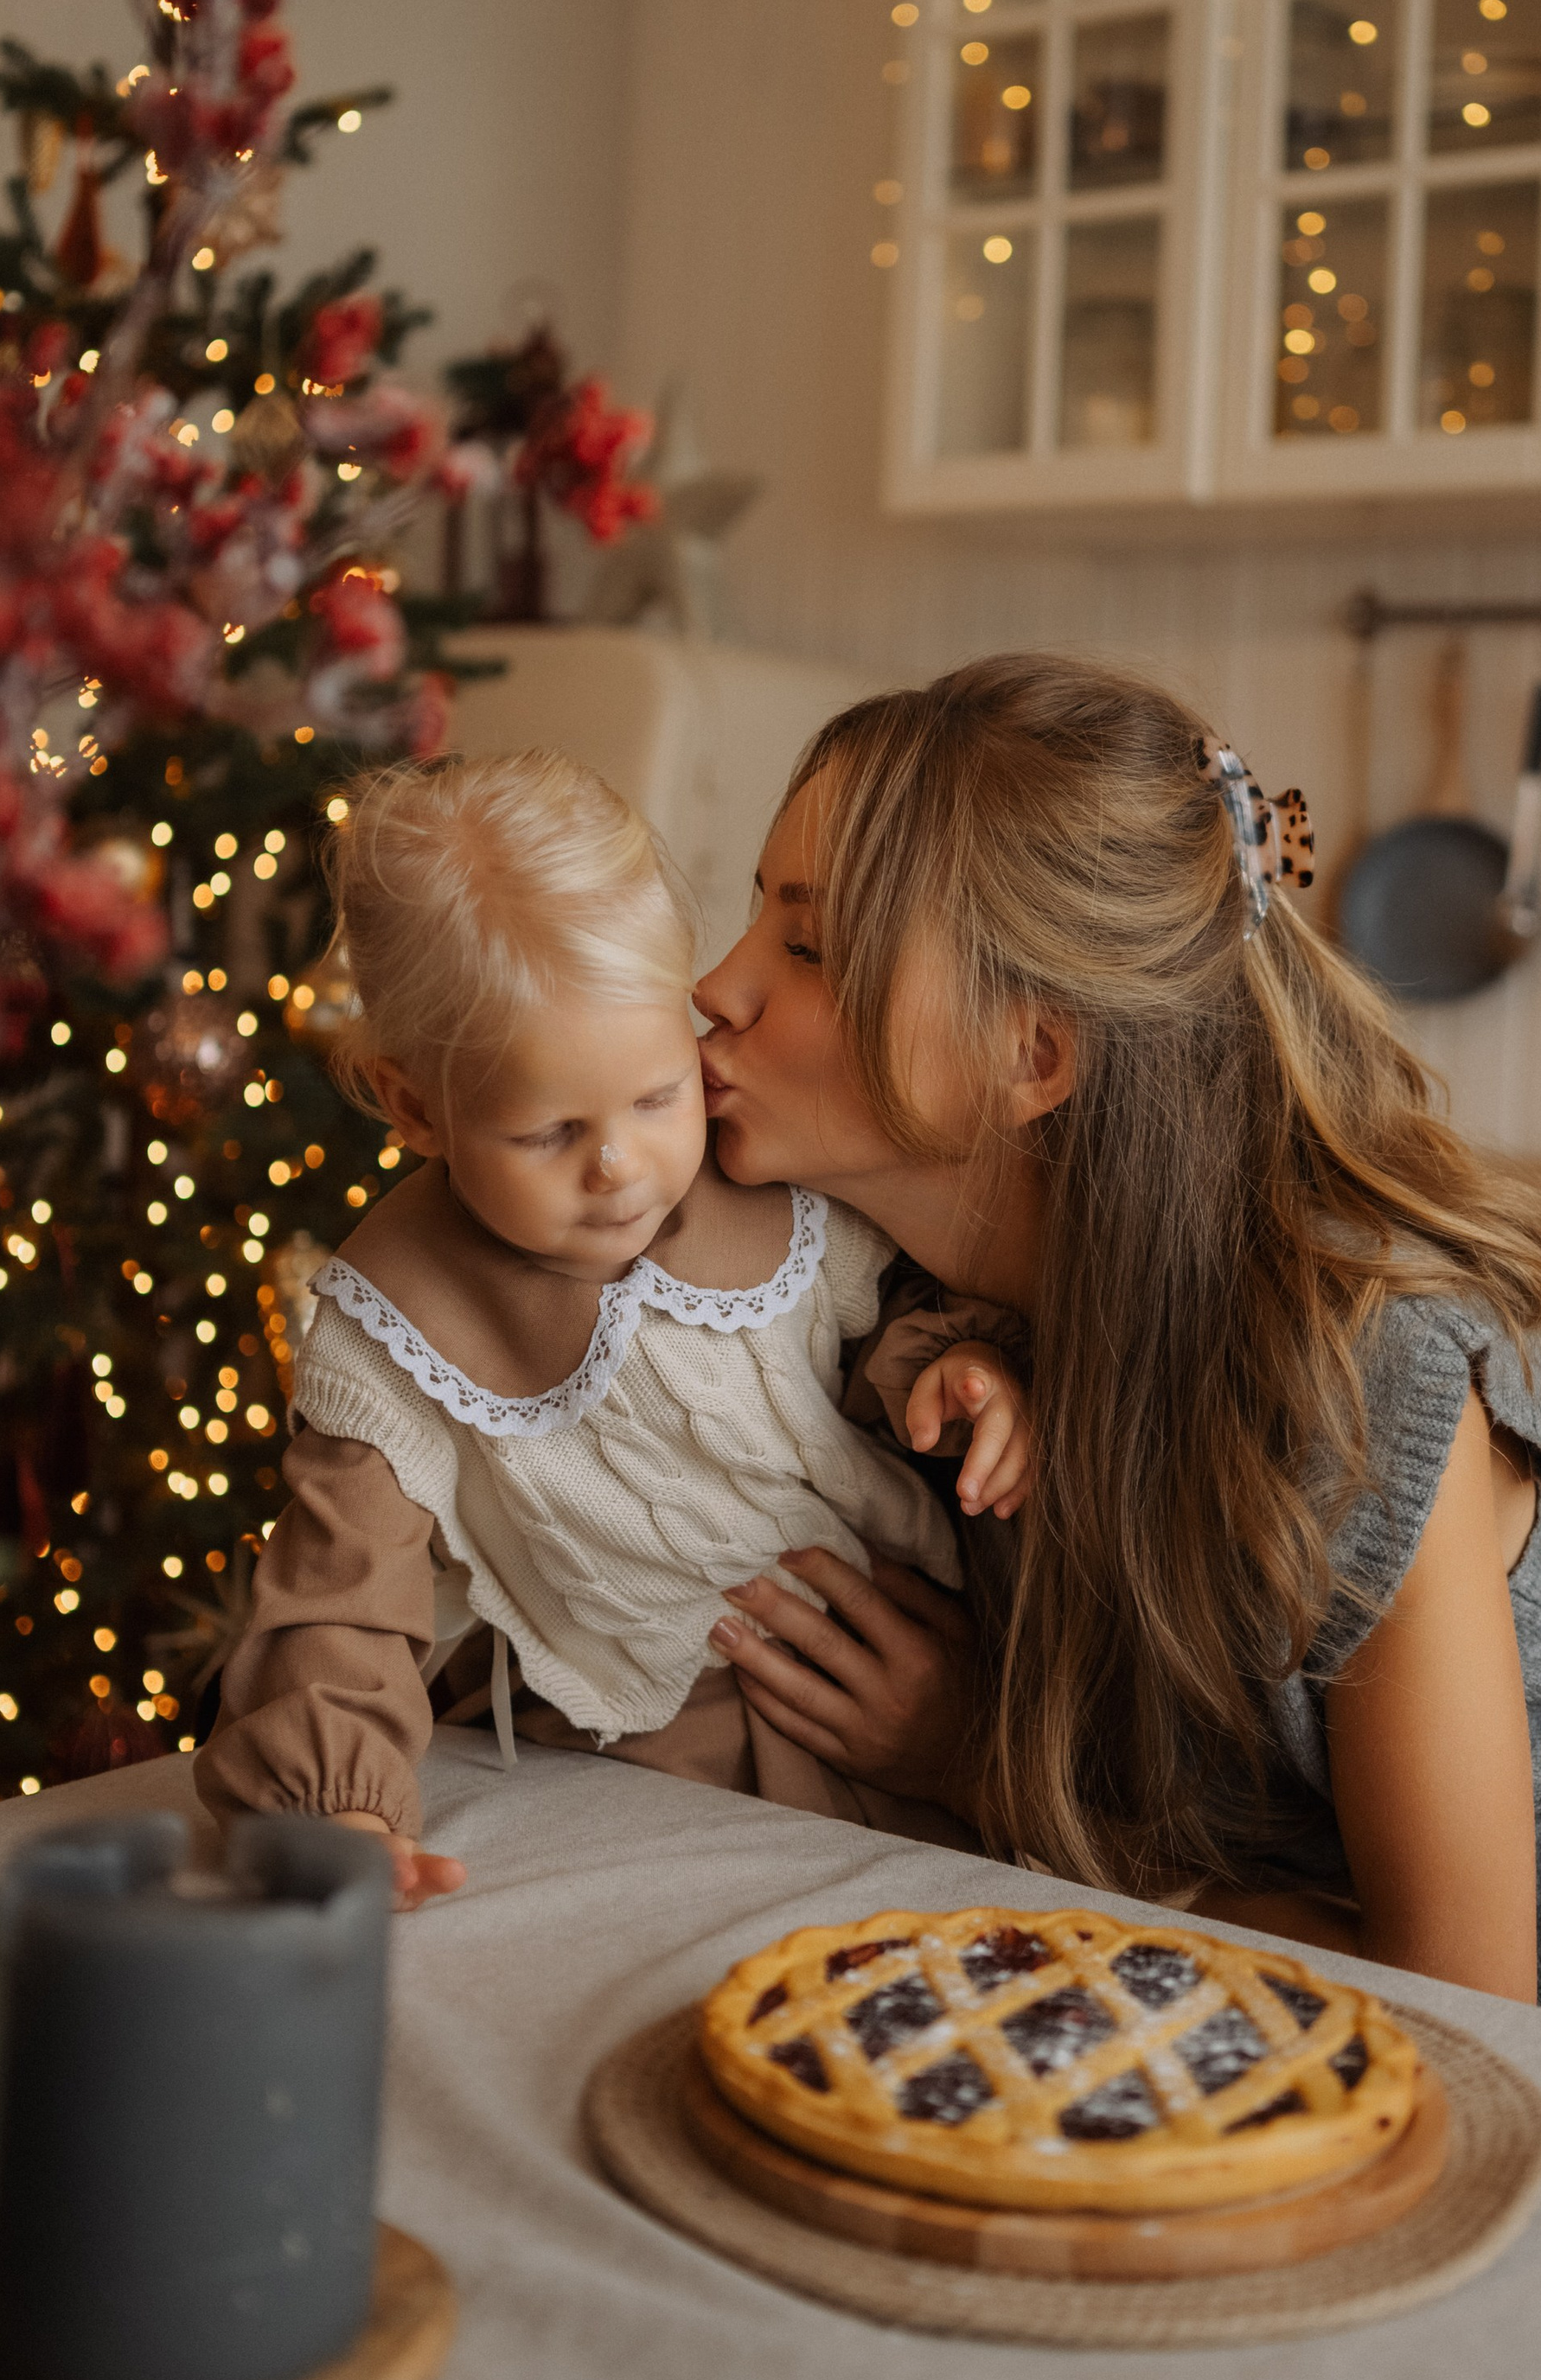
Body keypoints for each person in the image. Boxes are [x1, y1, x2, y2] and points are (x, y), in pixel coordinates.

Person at [690, 651, 1541, 2151]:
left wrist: (994, 1773)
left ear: (1031, 1054)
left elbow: (1463, 2002)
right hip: (1398, 2061)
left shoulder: (1352, 1379)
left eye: (813, 947)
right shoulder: (913, 1304)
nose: (715, 987)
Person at [195, 749, 1026, 1904]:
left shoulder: (764, 1180)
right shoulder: (391, 1325)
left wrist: (969, 1368)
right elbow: (339, 1602)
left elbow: (891, 1321)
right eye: (547, 1133)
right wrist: (339, 1802)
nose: (621, 1168)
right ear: (415, 1105)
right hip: (648, 1749)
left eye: (656, 1094)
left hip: (912, 1698)